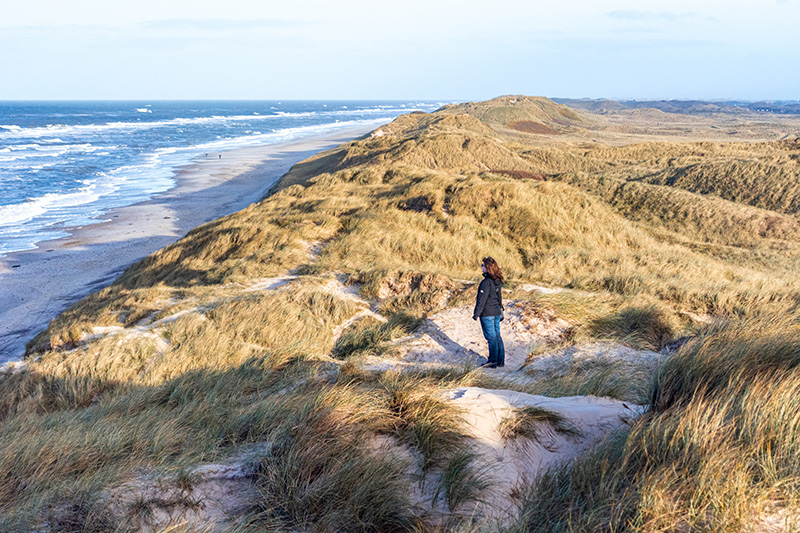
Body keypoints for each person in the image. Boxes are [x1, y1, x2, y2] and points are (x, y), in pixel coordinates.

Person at [473, 256, 505, 368]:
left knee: (491, 338)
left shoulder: (486, 282)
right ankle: (500, 361)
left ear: (487, 268)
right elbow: (499, 298)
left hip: (488, 313)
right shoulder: (497, 281)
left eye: (483, 265)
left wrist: (476, 314)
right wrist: (501, 311)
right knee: (497, 336)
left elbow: (482, 300)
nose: (481, 267)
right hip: (496, 312)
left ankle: (492, 362)